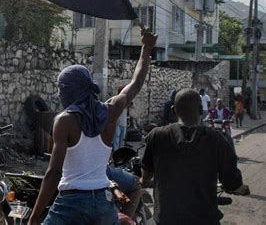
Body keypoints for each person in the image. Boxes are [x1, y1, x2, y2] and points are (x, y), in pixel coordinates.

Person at [28, 28, 157, 225]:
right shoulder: (110, 111)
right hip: (103, 203)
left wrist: (34, 217)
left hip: (70, 203)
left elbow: (53, 173)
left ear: (68, 90)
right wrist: (146, 49)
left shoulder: (64, 121)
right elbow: (136, 83)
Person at [141, 89, 249, 225]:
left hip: (165, 219)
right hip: (205, 220)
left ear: (174, 110)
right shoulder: (216, 139)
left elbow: (145, 176)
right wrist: (239, 188)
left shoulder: (156, 135)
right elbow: (231, 182)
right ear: (200, 110)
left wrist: (143, 181)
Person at [112, 86, 127, 152]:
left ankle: (120, 153)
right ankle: (116, 153)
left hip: (124, 123)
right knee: (116, 140)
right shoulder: (116, 99)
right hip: (117, 123)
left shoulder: (126, 100)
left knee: (121, 140)